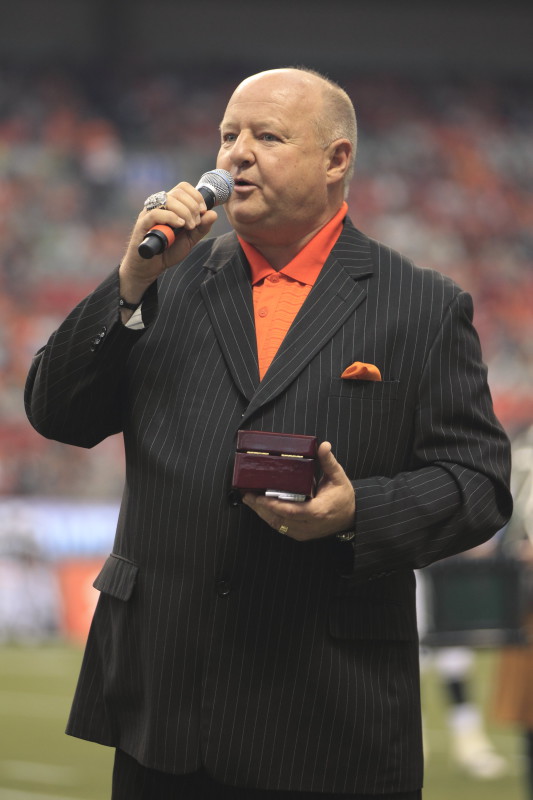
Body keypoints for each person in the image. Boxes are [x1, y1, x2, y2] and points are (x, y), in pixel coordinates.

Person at [25, 67, 513, 800]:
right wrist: (128, 279)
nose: (235, 154)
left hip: (327, 717)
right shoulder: (164, 280)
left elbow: (477, 483)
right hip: (164, 714)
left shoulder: (421, 305)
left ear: (336, 160)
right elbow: (55, 412)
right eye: (227, 135)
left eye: (267, 136)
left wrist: (357, 512)